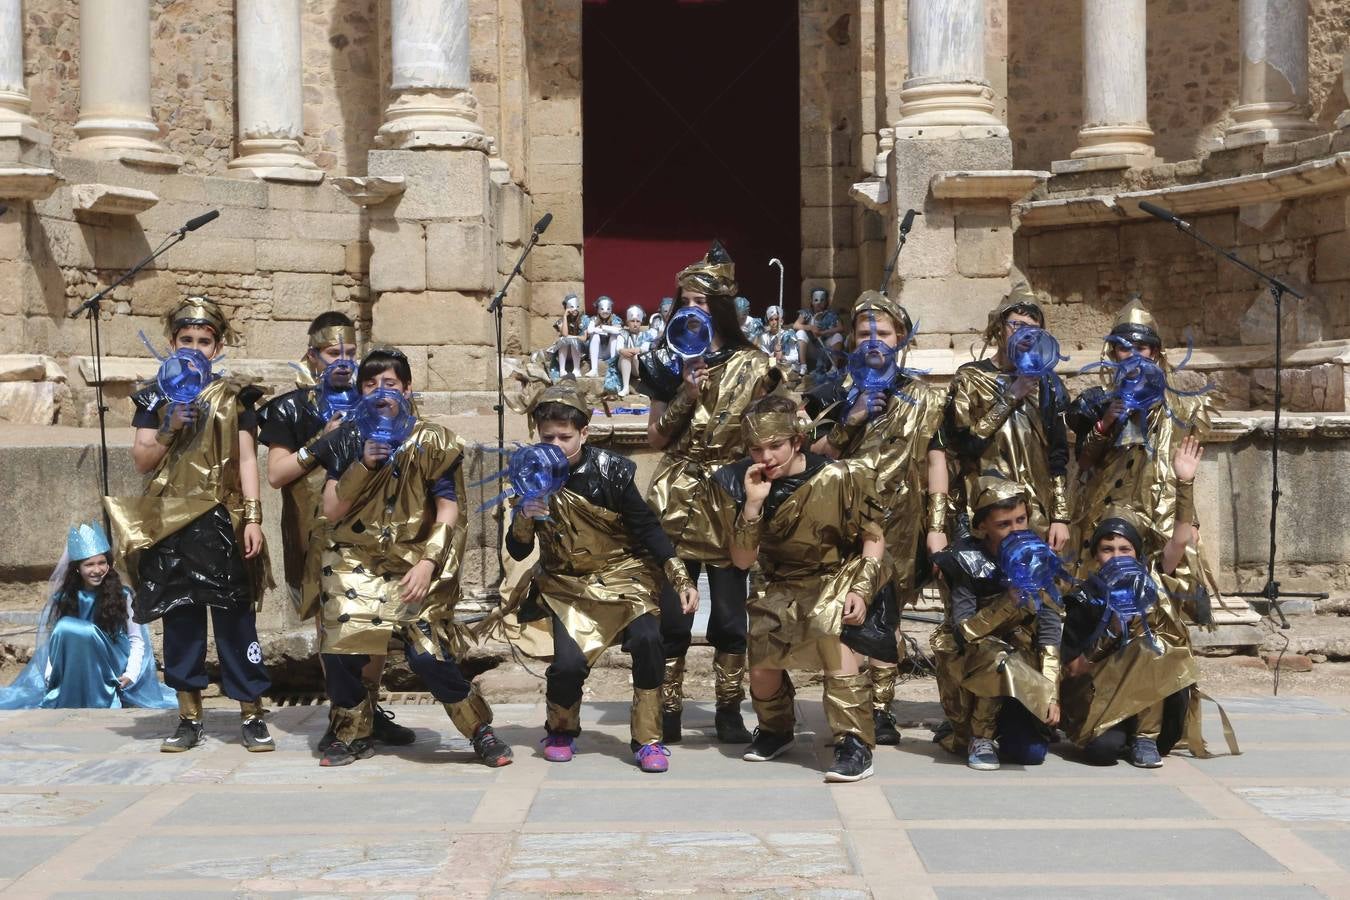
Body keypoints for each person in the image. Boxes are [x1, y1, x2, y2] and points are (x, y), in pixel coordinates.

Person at [311, 348, 512, 768]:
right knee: (342, 644)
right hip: (355, 559)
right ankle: (349, 730)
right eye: (370, 385)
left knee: (427, 655)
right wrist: (362, 465)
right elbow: (331, 509)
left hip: (416, 561)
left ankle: (479, 729)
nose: (380, 392)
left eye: (389, 384)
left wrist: (428, 562)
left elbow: (449, 509)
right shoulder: (347, 436)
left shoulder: (434, 440)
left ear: (407, 388)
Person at [105, 296, 273, 753]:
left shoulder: (235, 395)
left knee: (236, 618)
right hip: (169, 520)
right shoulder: (155, 394)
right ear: (172, 342)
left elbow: (245, 458)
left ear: (216, 347)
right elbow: (142, 460)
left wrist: (254, 518)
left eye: (204, 340)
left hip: (222, 517)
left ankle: (253, 713)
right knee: (181, 618)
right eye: (187, 339)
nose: (196, 347)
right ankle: (189, 715)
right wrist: (168, 428)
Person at [503, 384, 699, 772]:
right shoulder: (531, 474)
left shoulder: (611, 471)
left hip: (623, 576)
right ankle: (561, 728)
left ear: (585, 434)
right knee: (569, 665)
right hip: (567, 585)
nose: (556, 445)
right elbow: (519, 550)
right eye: (547, 437)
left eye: (565, 437)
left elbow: (647, 528)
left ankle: (648, 739)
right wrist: (524, 515)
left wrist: (679, 578)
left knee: (647, 641)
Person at [639, 240, 780, 745]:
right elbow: (656, 438)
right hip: (677, 490)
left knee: (729, 613)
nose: (691, 309)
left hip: (729, 489)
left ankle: (727, 709)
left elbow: (772, 430)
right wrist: (686, 393)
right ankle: (671, 709)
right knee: (673, 612)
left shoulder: (754, 363)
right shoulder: (663, 362)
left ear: (719, 305)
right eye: (684, 301)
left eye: (700, 301)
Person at [706, 393, 886, 782]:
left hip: (834, 575)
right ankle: (775, 729)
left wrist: (861, 589)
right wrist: (753, 506)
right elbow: (740, 560)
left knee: (832, 642)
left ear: (797, 442)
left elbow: (873, 538)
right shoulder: (738, 481)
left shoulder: (840, 477)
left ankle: (854, 743)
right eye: (756, 448)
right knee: (762, 670)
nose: (765, 456)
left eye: (775, 446)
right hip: (777, 582)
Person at [256, 312, 415, 751]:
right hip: (315, 528)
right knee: (334, 624)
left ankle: (367, 709)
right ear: (311, 357)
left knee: (375, 618)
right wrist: (322, 442)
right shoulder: (291, 406)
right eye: (332, 353)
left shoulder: (375, 399)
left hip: (373, 529)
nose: (342, 362)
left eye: (349, 353)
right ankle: (342, 713)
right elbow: (276, 474)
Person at [808, 292, 949, 746]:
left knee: (889, 615)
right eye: (865, 332)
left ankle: (882, 709)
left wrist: (937, 526)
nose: (874, 341)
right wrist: (851, 419)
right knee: (847, 614)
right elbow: (806, 457)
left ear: (900, 338)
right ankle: (849, 703)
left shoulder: (924, 397)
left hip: (903, 522)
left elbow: (936, 461)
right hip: (846, 521)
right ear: (851, 338)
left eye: (883, 333)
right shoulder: (830, 391)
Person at [1060, 436, 1238, 766]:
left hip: (1153, 697)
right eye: (1107, 549)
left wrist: (1184, 483)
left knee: (1150, 645)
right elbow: (1074, 670)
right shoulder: (1084, 598)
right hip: (1104, 696)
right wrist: (1111, 632)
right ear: (1096, 556)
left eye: (1125, 549)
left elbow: (1181, 539)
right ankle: (1124, 733)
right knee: (1102, 754)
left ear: (1138, 554)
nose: (1116, 557)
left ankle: (1145, 736)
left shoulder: (1154, 576)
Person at [1066, 297, 1220, 607]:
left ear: (1154, 353)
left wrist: (1193, 523)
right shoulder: (1096, 402)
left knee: (1169, 579)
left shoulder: (1182, 408)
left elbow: (1185, 465)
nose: (1133, 355)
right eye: (1124, 347)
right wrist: (1105, 423)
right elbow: (1083, 462)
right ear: (1113, 353)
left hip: (1159, 505)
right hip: (1109, 503)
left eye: (1141, 348)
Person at [929, 474, 1064, 771]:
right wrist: (1008, 601)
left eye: (1020, 520)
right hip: (975, 663)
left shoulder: (1036, 558)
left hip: (1022, 666)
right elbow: (965, 631)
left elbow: (1050, 632)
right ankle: (978, 736)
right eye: (1004, 525)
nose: (1015, 530)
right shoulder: (964, 561)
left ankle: (1012, 724)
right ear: (981, 528)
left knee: (1030, 753)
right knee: (997, 655)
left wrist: (1050, 694)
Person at [0, 522, 176, 710]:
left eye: (102, 563)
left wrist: (131, 673)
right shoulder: (65, 597)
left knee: (83, 630)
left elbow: (136, 639)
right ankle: (68, 689)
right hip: (79, 659)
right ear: (77, 568)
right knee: (66, 627)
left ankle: (103, 694)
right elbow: (57, 640)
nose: (97, 569)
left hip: (111, 659)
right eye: (89, 564)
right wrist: (51, 673)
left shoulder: (122, 595)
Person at [795, 288, 846, 375]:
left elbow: (841, 328)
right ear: (811, 301)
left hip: (826, 349)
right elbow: (796, 325)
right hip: (812, 349)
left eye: (822, 300)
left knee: (838, 336)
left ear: (826, 302)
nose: (819, 303)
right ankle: (803, 366)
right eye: (816, 300)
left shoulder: (831, 314)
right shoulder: (807, 313)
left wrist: (823, 332)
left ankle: (834, 367)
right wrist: (810, 327)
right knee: (800, 333)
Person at [756, 305, 800, 375]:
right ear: (768, 322)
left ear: (781, 321)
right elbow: (764, 356)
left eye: (776, 319)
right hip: (770, 369)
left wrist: (782, 357)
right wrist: (774, 355)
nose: (774, 322)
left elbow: (795, 357)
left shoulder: (788, 335)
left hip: (787, 368)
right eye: (771, 320)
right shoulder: (764, 337)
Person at [587, 295, 624, 377]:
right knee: (595, 336)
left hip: (609, 352)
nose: (605, 311)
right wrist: (604, 330)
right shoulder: (594, 319)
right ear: (598, 309)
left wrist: (603, 327)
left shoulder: (615, 319)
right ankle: (594, 370)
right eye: (602, 309)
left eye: (608, 309)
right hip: (598, 352)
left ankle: (613, 366)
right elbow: (590, 330)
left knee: (614, 337)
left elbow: (618, 330)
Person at [615, 305, 649, 396]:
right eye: (632, 321)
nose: (635, 324)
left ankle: (645, 388)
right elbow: (618, 347)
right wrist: (624, 351)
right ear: (627, 322)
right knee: (625, 355)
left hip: (638, 366)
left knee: (637, 355)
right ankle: (625, 387)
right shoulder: (622, 333)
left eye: (637, 321)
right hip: (623, 363)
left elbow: (645, 347)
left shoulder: (645, 335)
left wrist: (636, 350)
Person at [552, 294, 585, 377]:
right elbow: (565, 334)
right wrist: (565, 317)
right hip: (566, 353)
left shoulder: (584, 319)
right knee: (564, 340)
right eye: (572, 307)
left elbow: (584, 338)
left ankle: (576, 369)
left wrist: (574, 337)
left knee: (572, 340)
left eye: (577, 306)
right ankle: (562, 370)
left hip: (579, 351)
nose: (575, 309)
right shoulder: (561, 321)